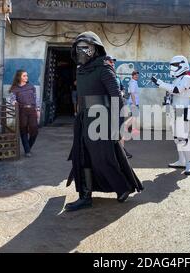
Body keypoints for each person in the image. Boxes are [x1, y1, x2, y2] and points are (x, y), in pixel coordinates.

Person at [65, 31, 143, 212]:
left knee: (103, 158)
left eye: (86, 48)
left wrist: (118, 125)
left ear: (95, 49)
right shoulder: (81, 71)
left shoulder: (104, 68)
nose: (81, 52)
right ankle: (85, 196)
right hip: (84, 119)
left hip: (102, 120)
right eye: (78, 48)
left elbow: (117, 98)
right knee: (82, 156)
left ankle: (122, 187)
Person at [151, 55, 190, 176]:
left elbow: (177, 90)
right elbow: (172, 93)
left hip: (184, 110)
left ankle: (189, 163)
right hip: (175, 110)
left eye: (175, 65)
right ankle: (182, 160)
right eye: (172, 66)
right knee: (177, 138)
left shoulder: (187, 78)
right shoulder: (178, 78)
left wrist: (159, 83)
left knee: (183, 138)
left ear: (183, 65)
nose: (173, 68)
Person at [104, 55, 133, 159]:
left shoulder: (116, 76)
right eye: (111, 61)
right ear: (105, 62)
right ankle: (111, 152)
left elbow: (122, 88)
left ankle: (121, 151)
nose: (113, 63)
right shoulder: (103, 75)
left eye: (113, 62)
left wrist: (122, 92)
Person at [9, 70, 40, 158]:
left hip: (32, 110)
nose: (26, 77)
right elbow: (12, 99)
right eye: (24, 76)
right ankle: (27, 151)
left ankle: (28, 147)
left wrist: (38, 110)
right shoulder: (15, 89)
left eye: (27, 75)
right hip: (22, 110)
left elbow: (36, 99)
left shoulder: (31, 87)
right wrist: (14, 102)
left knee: (34, 130)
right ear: (19, 77)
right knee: (23, 130)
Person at [127, 71, 141, 137]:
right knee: (134, 116)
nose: (137, 77)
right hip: (133, 102)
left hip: (134, 101)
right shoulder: (133, 83)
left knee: (134, 116)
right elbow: (132, 93)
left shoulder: (134, 82)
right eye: (135, 75)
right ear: (132, 76)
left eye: (137, 76)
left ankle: (133, 130)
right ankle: (126, 126)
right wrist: (134, 103)